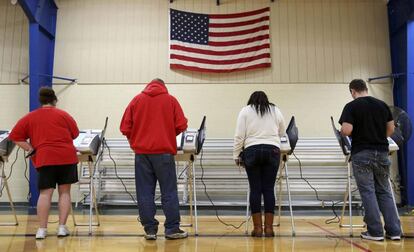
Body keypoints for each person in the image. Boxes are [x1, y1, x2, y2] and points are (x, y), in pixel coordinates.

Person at [120, 78, 188, 240]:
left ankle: (150, 229)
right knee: (169, 192)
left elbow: (124, 127)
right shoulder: (170, 100)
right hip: (164, 153)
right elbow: (181, 125)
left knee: (144, 192)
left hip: (142, 154)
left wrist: (135, 140)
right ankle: (172, 229)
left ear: (148, 86)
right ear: (164, 87)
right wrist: (168, 134)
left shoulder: (136, 100)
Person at [9, 87, 79, 239]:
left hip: (45, 157)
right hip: (66, 156)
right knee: (65, 192)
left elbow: (15, 136)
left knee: (45, 194)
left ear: (40, 101)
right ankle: (61, 227)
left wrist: (30, 148)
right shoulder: (64, 115)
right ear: (55, 100)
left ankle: (42, 230)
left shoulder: (30, 117)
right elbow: (75, 134)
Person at [339, 79, 401, 241]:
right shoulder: (382, 105)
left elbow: (347, 130)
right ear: (366, 88)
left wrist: (342, 131)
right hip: (381, 152)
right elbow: (391, 129)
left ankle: (375, 232)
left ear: (353, 91)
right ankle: (394, 231)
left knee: (368, 192)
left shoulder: (351, 106)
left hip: (362, 152)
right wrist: (378, 137)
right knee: (385, 191)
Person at [233, 91, 286, 237]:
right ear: (266, 100)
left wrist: (236, 155)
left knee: (255, 189)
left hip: (252, 150)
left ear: (251, 100)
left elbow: (239, 135)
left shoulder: (245, 110)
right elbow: (282, 132)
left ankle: (257, 229)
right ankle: (269, 229)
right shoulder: (275, 110)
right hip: (272, 150)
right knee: (268, 189)